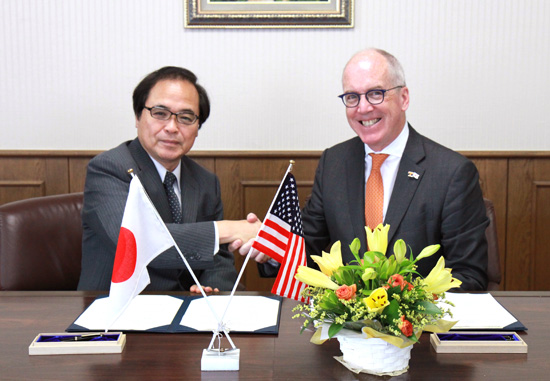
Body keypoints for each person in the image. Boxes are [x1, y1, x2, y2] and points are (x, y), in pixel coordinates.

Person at [243, 48, 489, 291]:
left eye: (375, 94)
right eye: (352, 97)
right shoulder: (334, 162)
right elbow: (310, 250)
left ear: (404, 98)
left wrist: (405, 307)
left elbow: (468, 276)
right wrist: (273, 249)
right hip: (344, 323)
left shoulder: (452, 173)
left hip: (415, 328)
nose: (363, 108)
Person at [78, 66, 260, 293]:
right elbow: (136, 243)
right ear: (137, 116)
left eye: (185, 117)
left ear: (197, 127)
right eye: (160, 113)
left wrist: (211, 292)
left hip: (189, 315)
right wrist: (227, 229)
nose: (172, 128)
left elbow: (219, 259)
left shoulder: (205, 181)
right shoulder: (109, 168)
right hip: (118, 313)